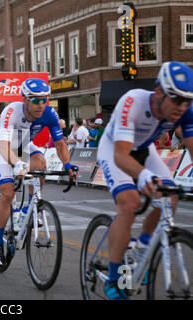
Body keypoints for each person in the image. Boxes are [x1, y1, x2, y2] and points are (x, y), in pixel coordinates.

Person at [97, 61, 193, 300]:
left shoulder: (185, 111)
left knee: (170, 194)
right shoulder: (134, 101)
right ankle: (114, 279)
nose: (182, 106)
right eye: (176, 98)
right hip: (115, 148)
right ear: (159, 91)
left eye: (187, 100)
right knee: (129, 203)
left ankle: (142, 247)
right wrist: (141, 174)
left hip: (144, 148)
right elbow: (121, 155)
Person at [0, 78, 78, 267]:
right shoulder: (11, 111)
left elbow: (61, 144)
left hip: (24, 145)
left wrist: (68, 165)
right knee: (7, 193)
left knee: (40, 164)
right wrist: (17, 164)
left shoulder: (49, 114)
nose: (40, 105)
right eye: (36, 100)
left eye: (44, 100)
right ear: (25, 100)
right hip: (3, 149)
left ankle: (32, 208)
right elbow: (4, 147)